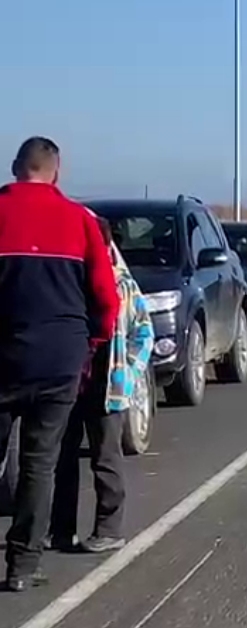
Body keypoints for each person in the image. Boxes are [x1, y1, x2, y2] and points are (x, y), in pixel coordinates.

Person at [0, 137, 119, 591]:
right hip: (59, 358)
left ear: (15, 168)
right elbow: (106, 298)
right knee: (39, 462)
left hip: (5, 354)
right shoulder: (80, 221)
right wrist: (92, 343)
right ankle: (22, 565)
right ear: (57, 171)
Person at [49, 217, 153, 554]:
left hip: (108, 384)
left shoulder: (122, 285)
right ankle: (60, 528)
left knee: (105, 458)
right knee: (62, 458)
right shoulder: (71, 281)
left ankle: (108, 528)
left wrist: (130, 371)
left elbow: (144, 331)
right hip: (71, 381)